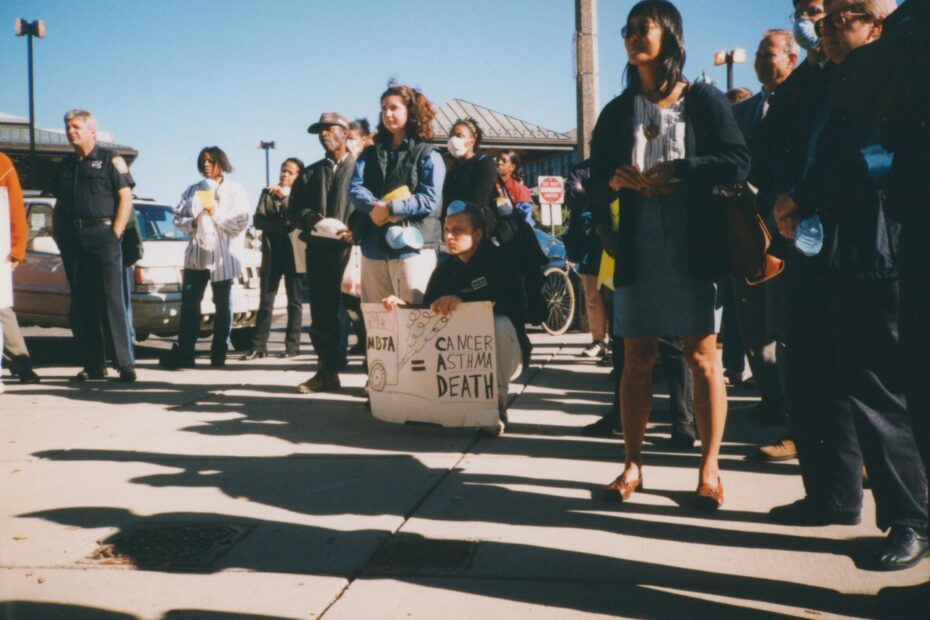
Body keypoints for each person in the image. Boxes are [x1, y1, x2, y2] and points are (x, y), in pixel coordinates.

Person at [772, 0, 928, 571]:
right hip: (826, 250)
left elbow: (871, 162)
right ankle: (835, 495)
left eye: (846, 16)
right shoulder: (828, 83)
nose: (828, 28)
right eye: (825, 19)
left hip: (872, 247)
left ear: (878, 26)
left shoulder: (888, 82)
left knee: (876, 384)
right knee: (823, 373)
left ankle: (910, 518)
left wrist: (804, 199)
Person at [588, 0, 750, 510]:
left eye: (644, 27)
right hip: (638, 239)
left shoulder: (702, 99)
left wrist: (681, 170)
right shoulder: (618, 109)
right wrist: (612, 181)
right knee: (635, 359)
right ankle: (632, 465)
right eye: (628, 29)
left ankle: (709, 470)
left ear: (671, 36)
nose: (634, 36)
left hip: (693, 239)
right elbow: (592, 180)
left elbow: (737, 161)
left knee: (702, 357)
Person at [751, 0, 831, 465]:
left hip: (843, 230)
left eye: (818, 10)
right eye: (801, 11)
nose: (811, 20)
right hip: (784, 233)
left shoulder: (853, 77)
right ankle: (801, 432)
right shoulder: (792, 93)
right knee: (795, 340)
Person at [385, 200, 522, 433]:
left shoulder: (501, 260)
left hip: (506, 352)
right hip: (459, 360)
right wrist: (404, 307)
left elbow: (512, 305)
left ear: (477, 234)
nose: (449, 236)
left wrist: (462, 301)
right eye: (446, 230)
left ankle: (495, 405)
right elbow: (427, 314)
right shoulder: (445, 269)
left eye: (458, 230)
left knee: (498, 322)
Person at [730, 30, 799, 426]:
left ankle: (793, 410)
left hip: (788, 234)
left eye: (767, 54)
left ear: (791, 59)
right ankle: (771, 397)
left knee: (784, 325)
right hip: (745, 235)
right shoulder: (742, 112)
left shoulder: (804, 102)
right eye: (755, 54)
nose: (759, 61)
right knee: (752, 323)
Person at [50, 110, 136, 382]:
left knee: (112, 300)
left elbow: (125, 197)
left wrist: (115, 233)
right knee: (82, 304)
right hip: (74, 241)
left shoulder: (111, 160)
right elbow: (59, 205)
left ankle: (124, 363)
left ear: (92, 131)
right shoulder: (65, 165)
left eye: (76, 127)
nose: (70, 131)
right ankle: (94, 364)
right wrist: (58, 235)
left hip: (104, 236)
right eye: (67, 127)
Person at [348, 83, 445, 308]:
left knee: (414, 317)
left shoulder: (427, 153)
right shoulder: (370, 153)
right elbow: (355, 188)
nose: (387, 114)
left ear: (410, 111)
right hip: (373, 247)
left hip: (413, 249)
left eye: (394, 108)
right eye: (383, 109)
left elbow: (429, 198)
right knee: (377, 321)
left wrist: (391, 208)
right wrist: (378, 206)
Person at [160, 147, 249, 369]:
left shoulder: (235, 190)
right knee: (190, 305)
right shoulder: (192, 191)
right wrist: (193, 221)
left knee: (223, 305)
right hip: (197, 256)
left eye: (211, 161)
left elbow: (239, 223)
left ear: (221, 163)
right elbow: (177, 218)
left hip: (223, 257)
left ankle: (219, 351)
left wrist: (214, 212)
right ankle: (186, 352)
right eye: (203, 161)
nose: (207, 165)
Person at [289, 113, 356, 393]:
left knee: (366, 314)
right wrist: (310, 218)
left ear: (345, 132)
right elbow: (294, 209)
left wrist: (357, 230)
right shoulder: (311, 173)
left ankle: (379, 378)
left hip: (355, 250)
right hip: (320, 251)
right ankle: (327, 371)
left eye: (330, 129)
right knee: (323, 314)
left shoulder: (362, 167)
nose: (324, 134)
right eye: (320, 131)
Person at [241, 157, 305, 360]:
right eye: (283, 170)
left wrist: (284, 199)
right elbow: (258, 220)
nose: (285, 175)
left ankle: (292, 346)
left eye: (290, 172)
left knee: (294, 301)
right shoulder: (266, 193)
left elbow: (295, 217)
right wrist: (281, 225)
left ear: (298, 176)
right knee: (266, 300)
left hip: (294, 252)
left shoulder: (300, 194)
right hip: (272, 252)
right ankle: (258, 346)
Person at [0, 153, 28, 394]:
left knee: (1, 310)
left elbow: (15, 207)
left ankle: (22, 363)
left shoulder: (2, 163)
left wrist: (18, 248)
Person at [495, 150, 536, 227]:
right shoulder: (489, 185)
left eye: (504, 161)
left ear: (512, 167)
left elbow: (527, 222)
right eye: (498, 160)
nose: (499, 163)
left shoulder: (520, 190)